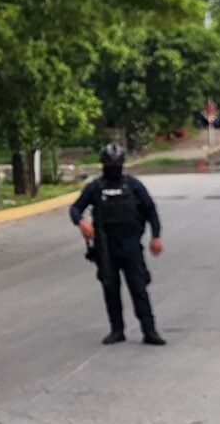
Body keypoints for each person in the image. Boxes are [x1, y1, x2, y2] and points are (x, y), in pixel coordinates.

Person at [69, 143, 166, 346]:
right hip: (106, 247)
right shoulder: (95, 188)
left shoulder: (133, 186)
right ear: (103, 164)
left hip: (131, 245)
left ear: (122, 163)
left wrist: (156, 236)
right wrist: (81, 222)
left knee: (139, 288)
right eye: (109, 163)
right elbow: (76, 208)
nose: (113, 166)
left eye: (116, 163)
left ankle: (149, 330)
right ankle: (117, 330)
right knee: (110, 289)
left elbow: (150, 210)